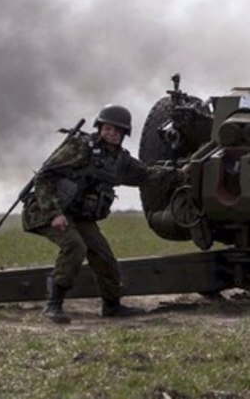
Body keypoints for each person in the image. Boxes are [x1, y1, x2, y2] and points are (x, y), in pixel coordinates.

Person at [22, 104, 183, 324]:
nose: (112, 133)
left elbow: (146, 175)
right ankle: (53, 305)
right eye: (108, 128)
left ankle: (112, 306)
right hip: (46, 209)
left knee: (103, 255)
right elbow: (44, 177)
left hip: (78, 215)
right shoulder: (81, 147)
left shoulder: (120, 161)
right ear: (100, 127)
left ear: (124, 135)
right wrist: (54, 213)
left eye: (117, 131)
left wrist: (179, 174)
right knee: (74, 245)